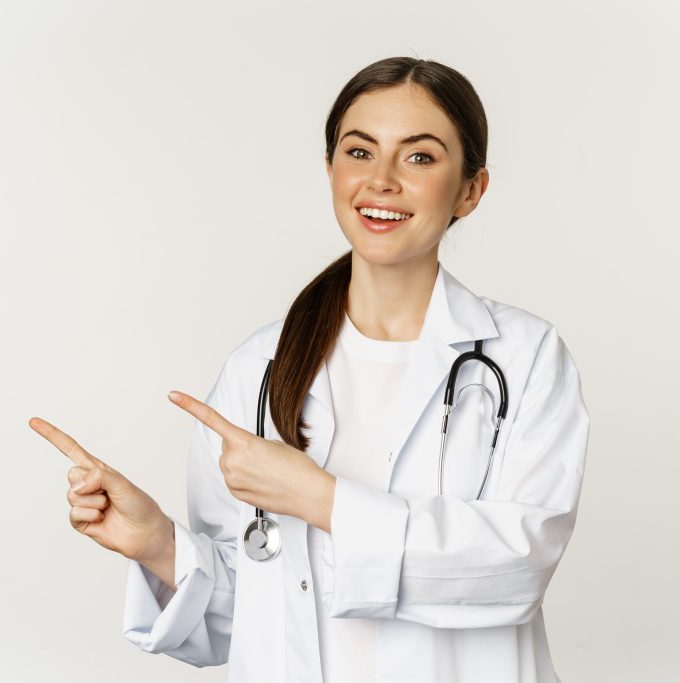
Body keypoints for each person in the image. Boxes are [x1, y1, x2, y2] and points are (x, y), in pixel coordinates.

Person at [30, 56, 590, 683]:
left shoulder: (526, 356)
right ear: (330, 170)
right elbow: (243, 612)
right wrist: (156, 542)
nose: (380, 181)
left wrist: (321, 501)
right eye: (359, 152)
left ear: (471, 189)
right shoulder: (260, 368)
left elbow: (517, 569)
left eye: (419, 157)